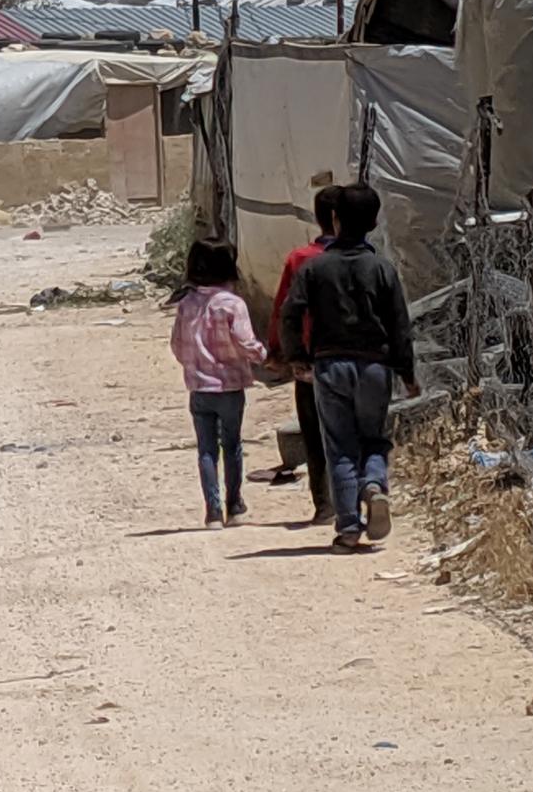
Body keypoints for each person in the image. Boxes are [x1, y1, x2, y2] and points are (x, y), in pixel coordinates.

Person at [278, 182, 416, 552]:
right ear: (373, 221)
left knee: (339, 445)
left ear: (334, 220)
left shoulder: (315, 268)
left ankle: (349, 529)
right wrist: (407, 373)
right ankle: (374, 484)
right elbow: (400, 325)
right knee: (373, 438)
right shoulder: (382, 268)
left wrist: (296, 356)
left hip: (330, 365)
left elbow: (290, 312)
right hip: (374, 367)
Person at [169, 239, 265, 528]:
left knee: (206, 450)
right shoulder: (232, 304)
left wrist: (194, 364)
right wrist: (264, 355)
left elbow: (177, 345)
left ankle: (212, 511)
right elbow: (246, 342)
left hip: (199, 387)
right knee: (232, 444)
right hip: (230, 386)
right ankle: (234, 505)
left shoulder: (186, 304)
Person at [269, 185, 344, 526]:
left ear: (319, 217)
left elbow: (283, 311)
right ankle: (356, 499)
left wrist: (279, 351)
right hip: (351, 360)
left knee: (314, 433)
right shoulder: (365, 256)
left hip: (310, 363)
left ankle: (325, 505)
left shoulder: (300, 260)